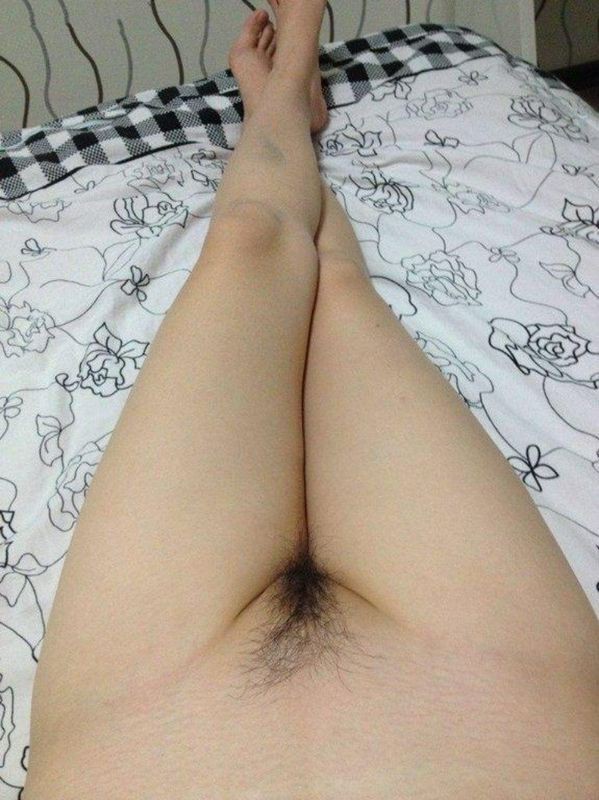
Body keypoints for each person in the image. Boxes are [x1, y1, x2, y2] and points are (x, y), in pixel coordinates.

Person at [24, 2, 599, 797]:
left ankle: (283, 96)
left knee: (252, 239)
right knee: (333, 284)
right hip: (500, 698)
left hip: (140, 719)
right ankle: (288, 97)